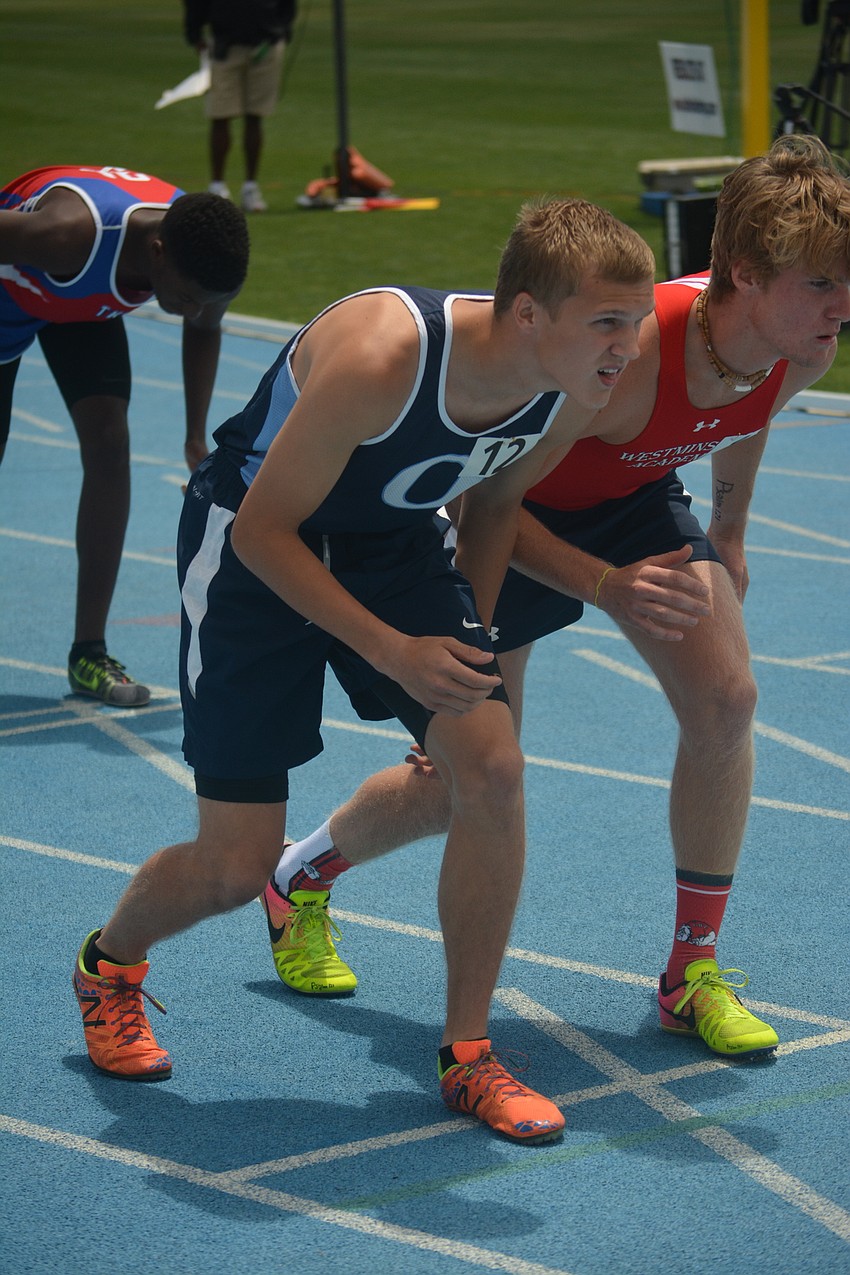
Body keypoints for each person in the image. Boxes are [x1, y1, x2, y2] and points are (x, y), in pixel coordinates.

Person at [71, 198, 656, 1142]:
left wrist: (468, 664)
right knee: (234, 865)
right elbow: (264, 531)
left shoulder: (571, 378)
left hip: (392, 548)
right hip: (258, 551)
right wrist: (396, 654)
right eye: (607, 322)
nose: (629, 348)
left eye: (635, 323)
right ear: (526, 314)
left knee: (493, 769)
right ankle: (110, 965)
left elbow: (495, 503)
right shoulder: (387, 356)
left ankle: (467, 1056)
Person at [264, 135, 850, 1060]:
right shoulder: (630, 355)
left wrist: (729, 528)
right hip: (522, 516)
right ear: (743, 271)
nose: (842, 308)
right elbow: (486, 496)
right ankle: (299, 876)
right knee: (462, 782)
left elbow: (746, 417)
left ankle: (690, 972)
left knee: (729, 699)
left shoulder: (800, 350)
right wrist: (606, 587)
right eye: (822, 285)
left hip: (636, 500)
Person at [0, 165, 250, 705]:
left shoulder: (209, 259)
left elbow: (204, 326)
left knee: (110, 445)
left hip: (76, 305)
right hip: (12, 294)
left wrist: (193, 437)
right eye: (184, 298)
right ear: (157, 253)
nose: (194, 309)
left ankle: (88, 652)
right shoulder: (67, 235)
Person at [183, 0, 298, 213]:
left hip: (266, 42)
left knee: (255, 116)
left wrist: (282, 29)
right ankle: (217, 186)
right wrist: (194, 33)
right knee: (220, 114)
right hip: (224, 44)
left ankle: (250, 187)